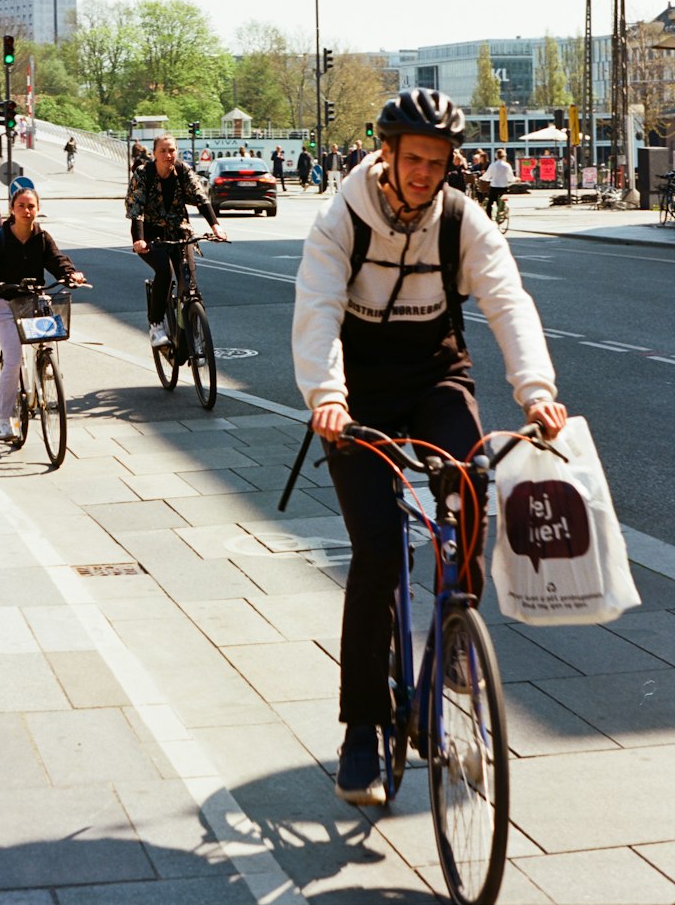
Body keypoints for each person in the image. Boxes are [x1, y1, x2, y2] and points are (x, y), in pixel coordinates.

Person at [291, 88, 567, 808]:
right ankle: (360, 733)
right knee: (378, 553)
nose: (424, 173)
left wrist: (535, 390)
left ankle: (454, 637)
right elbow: (318, 308)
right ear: (386, 154)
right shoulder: (341, 218)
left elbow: (508, 299)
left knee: (475, 482)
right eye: (413, 159)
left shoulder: (460, 218)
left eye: (437, 162)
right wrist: (326, 396)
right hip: (357, 393)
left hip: (436, 372)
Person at [0, 185, 87, 444]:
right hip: (5, 306)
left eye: (31, 206)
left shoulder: (42, 237)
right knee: (13, 359)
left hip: (34, 302)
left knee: (49, 324)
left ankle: (43, 365)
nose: (27, 211)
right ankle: (4, 420)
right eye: (21, 206)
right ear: (12, 209)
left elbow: (58, 261)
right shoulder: (0, 239)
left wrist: (70, 275)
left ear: (38, 210)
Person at [125, 134, 227, 347]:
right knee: (165, 271)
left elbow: (200, 198)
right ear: (154, 153)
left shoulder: (182, 171)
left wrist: (215, 226)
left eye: (171, 150)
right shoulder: (144, 174)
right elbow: (137, 210)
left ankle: (190, 330)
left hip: (180, 232)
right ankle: (156, 325)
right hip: (151, 235)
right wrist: (139, 240)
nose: (167, 155)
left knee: (188, 282)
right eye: (162, 151)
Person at [484, 146, 516, 219]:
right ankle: (502, 212)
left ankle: (489, 218)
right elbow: (510, 177)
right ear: (504, 156)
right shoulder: (507, 165)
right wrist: (515, 179)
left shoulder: (493, 165)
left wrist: (483, 178)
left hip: (494, 186)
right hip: (504, 187)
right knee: (501, 202)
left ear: (496, 156)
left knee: (490, 204)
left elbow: (487, 175)